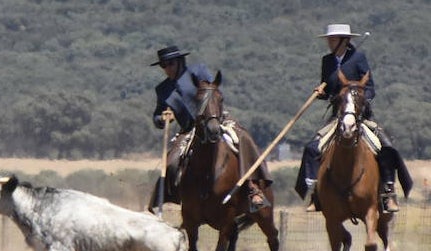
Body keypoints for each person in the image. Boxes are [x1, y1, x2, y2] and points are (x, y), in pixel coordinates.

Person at [295, 24, 412, 212]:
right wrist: (320, 92)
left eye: (332, 40)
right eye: (329, 39)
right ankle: (315, 193)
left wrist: (360, 100)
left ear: (344, 41)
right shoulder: (327, 61)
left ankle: (388, 191)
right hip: (337, 116)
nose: (329, 43)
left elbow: (371, 87)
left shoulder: (358, 58)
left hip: (360, 115)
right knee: (312, 148)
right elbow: (328, 91)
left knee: (386, 146)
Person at [147, 45, 271, 214]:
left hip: (214, 120)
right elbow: (156, 116)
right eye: (163, 65)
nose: (167, 68)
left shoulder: (197, 71)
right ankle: (173, 195)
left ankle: (253, 187)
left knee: (242, 139)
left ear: (179, 61)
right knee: (172, 161)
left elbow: (213, 91)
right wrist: (161, 118)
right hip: (189, 130)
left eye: (170, 63)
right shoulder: (162, 90)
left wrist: (212, 117)